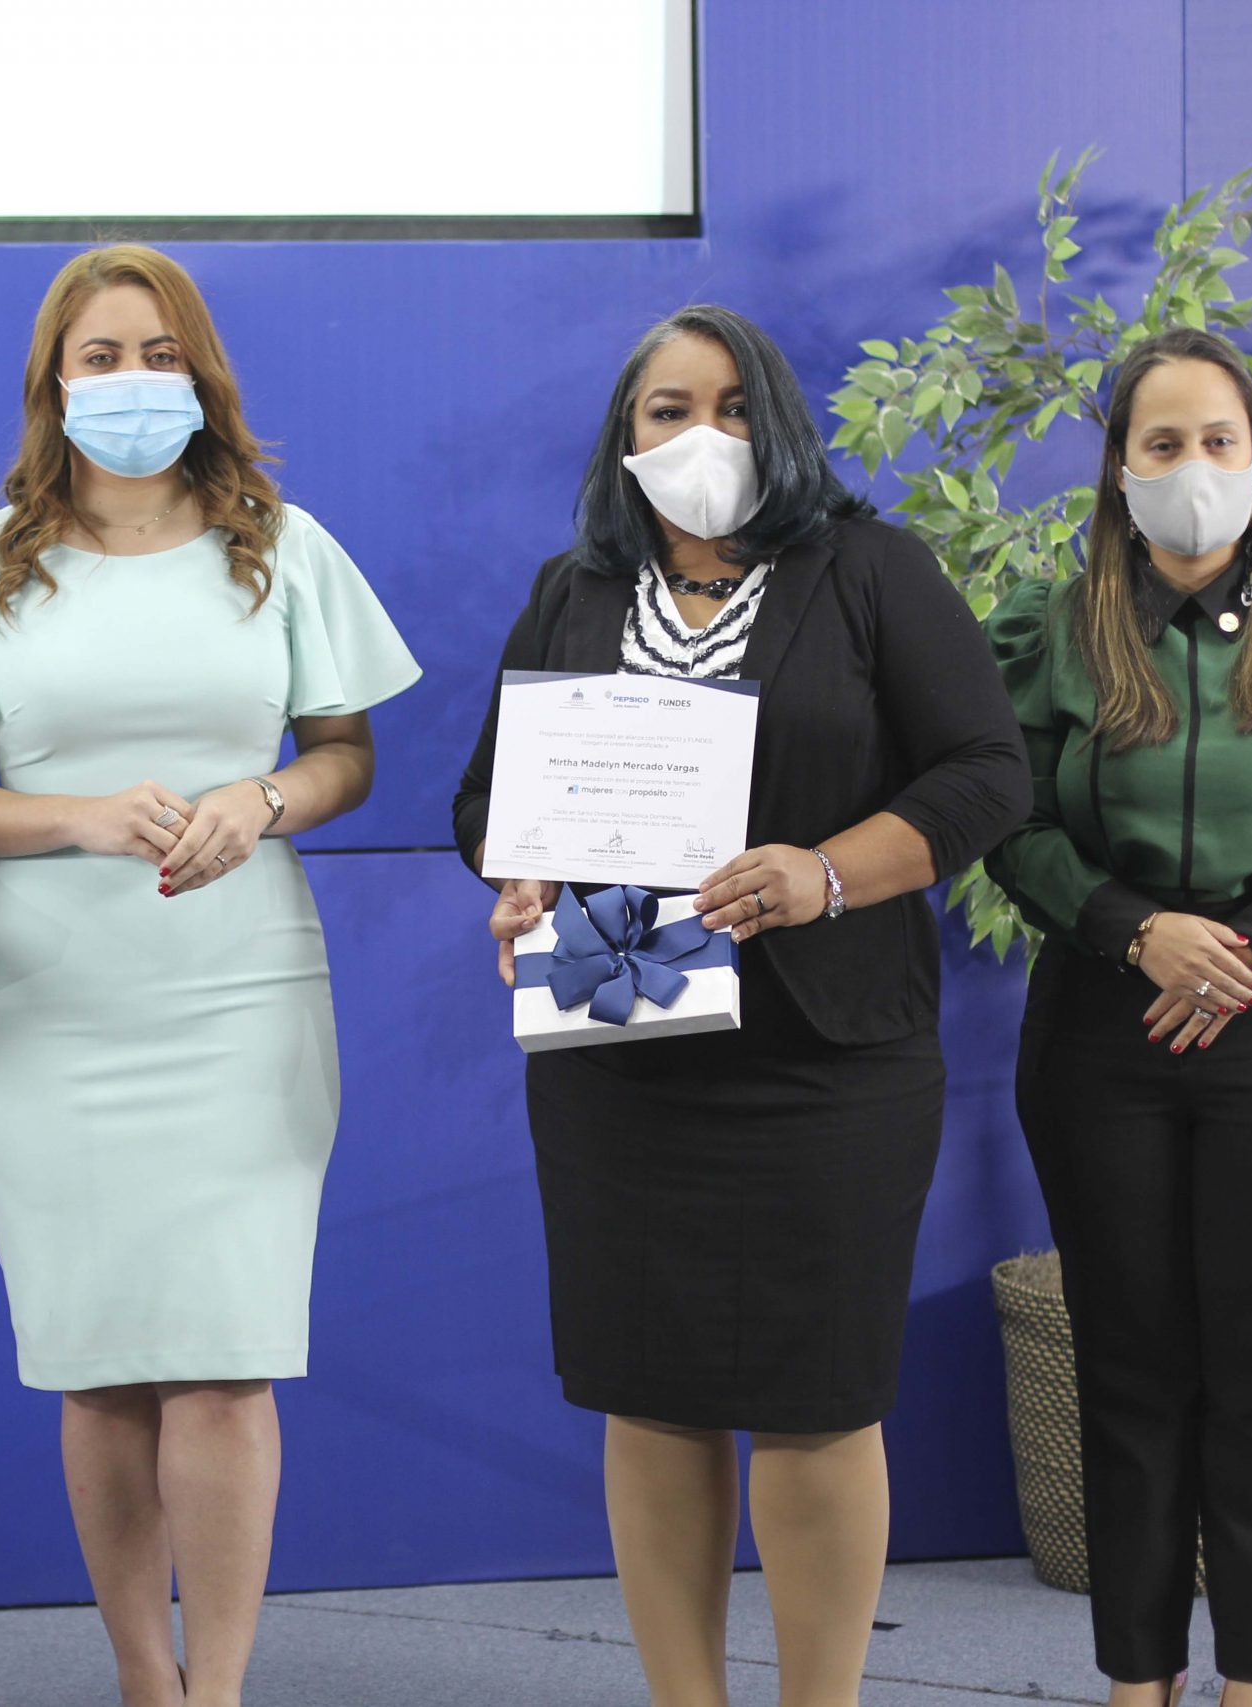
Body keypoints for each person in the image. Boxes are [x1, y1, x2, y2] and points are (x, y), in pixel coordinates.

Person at [0, 243, 418, 1707]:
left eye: (157, 354)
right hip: (51, 1004)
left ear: (201, 374)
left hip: (241, 993)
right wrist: (76, 819)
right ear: (52, 385)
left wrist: (263, 800)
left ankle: (215, 1691)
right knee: (100, 1360)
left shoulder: (284, 547)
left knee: (226, 1354)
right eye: (99, 358)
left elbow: (346, 753)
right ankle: (140, 1677)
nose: (130, 382)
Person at [453, 304, 1031, 1707]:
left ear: (776, 424)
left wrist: (826, 873)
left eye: (728, 406)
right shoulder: (571, 591)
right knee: (649, 1398)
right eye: (666, 409)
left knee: (818, 1402)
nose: (698, 434)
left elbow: (985, 775)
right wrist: (519, 874)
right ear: (624, 437)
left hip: (830, 1062)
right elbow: (487, 799)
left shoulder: (871, 571)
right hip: (618, 1046)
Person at [986, 328, 1252, 1707]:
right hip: (1104, 1035)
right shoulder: (1056, 633)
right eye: (1160, 445)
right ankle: (1136, 1683)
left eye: (1216, 442)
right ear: (1118, 471)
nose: (1192, 469)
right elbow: (1015, 823)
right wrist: (1136, 931)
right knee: (1130, 1371)